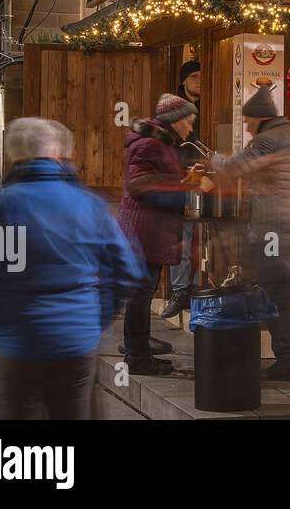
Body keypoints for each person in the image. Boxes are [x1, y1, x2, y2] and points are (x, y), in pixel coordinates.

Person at [0, 118, 147, 419]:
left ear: (13, 156)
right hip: (74, 341)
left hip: (12, 342)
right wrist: (95, 318)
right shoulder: (90, 205)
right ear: (58, 154)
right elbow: (127, 269)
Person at [212, 84, 290, 380]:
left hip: (274, 228)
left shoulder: (267, 140)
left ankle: (288, 360)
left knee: (275, 294)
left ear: (259, 117)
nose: (246, 124)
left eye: (247, 119)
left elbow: (232, 168)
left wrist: (212, 159)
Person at [119, 93, 198, 374]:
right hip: (143, 230)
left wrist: (182, 181)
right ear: (174, 121)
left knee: (142, 292)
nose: (190, 128)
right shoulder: (152, 143)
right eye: (187, 122)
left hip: (145, 228)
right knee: (140, 293)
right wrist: (182, 192)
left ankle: (138, 350)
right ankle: (137, 357)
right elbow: (140, 184)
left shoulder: (160, 142)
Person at [162, 59, 204, 320]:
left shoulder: (211, 104)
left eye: (202, 76)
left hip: (204, 177)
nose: (199, 80)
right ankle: (180, 290)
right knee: (182, 236)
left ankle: (199, 288)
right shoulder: (174, 109)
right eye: (194, 77)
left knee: (207, 236)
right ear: (183, 81)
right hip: (180, 179)